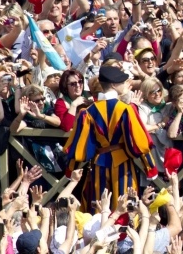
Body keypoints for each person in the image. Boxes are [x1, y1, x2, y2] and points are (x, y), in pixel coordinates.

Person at [64, 66, 158, 211]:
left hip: (98, 164)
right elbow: (139, 141)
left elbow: (78, 144)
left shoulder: (87, 112)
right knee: (127, 207)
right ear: (114, 85)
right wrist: (150, 168)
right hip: (123, 162)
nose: (125, 85)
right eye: (122, 82)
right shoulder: (126, 109)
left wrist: (71, 170)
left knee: (99, 209)